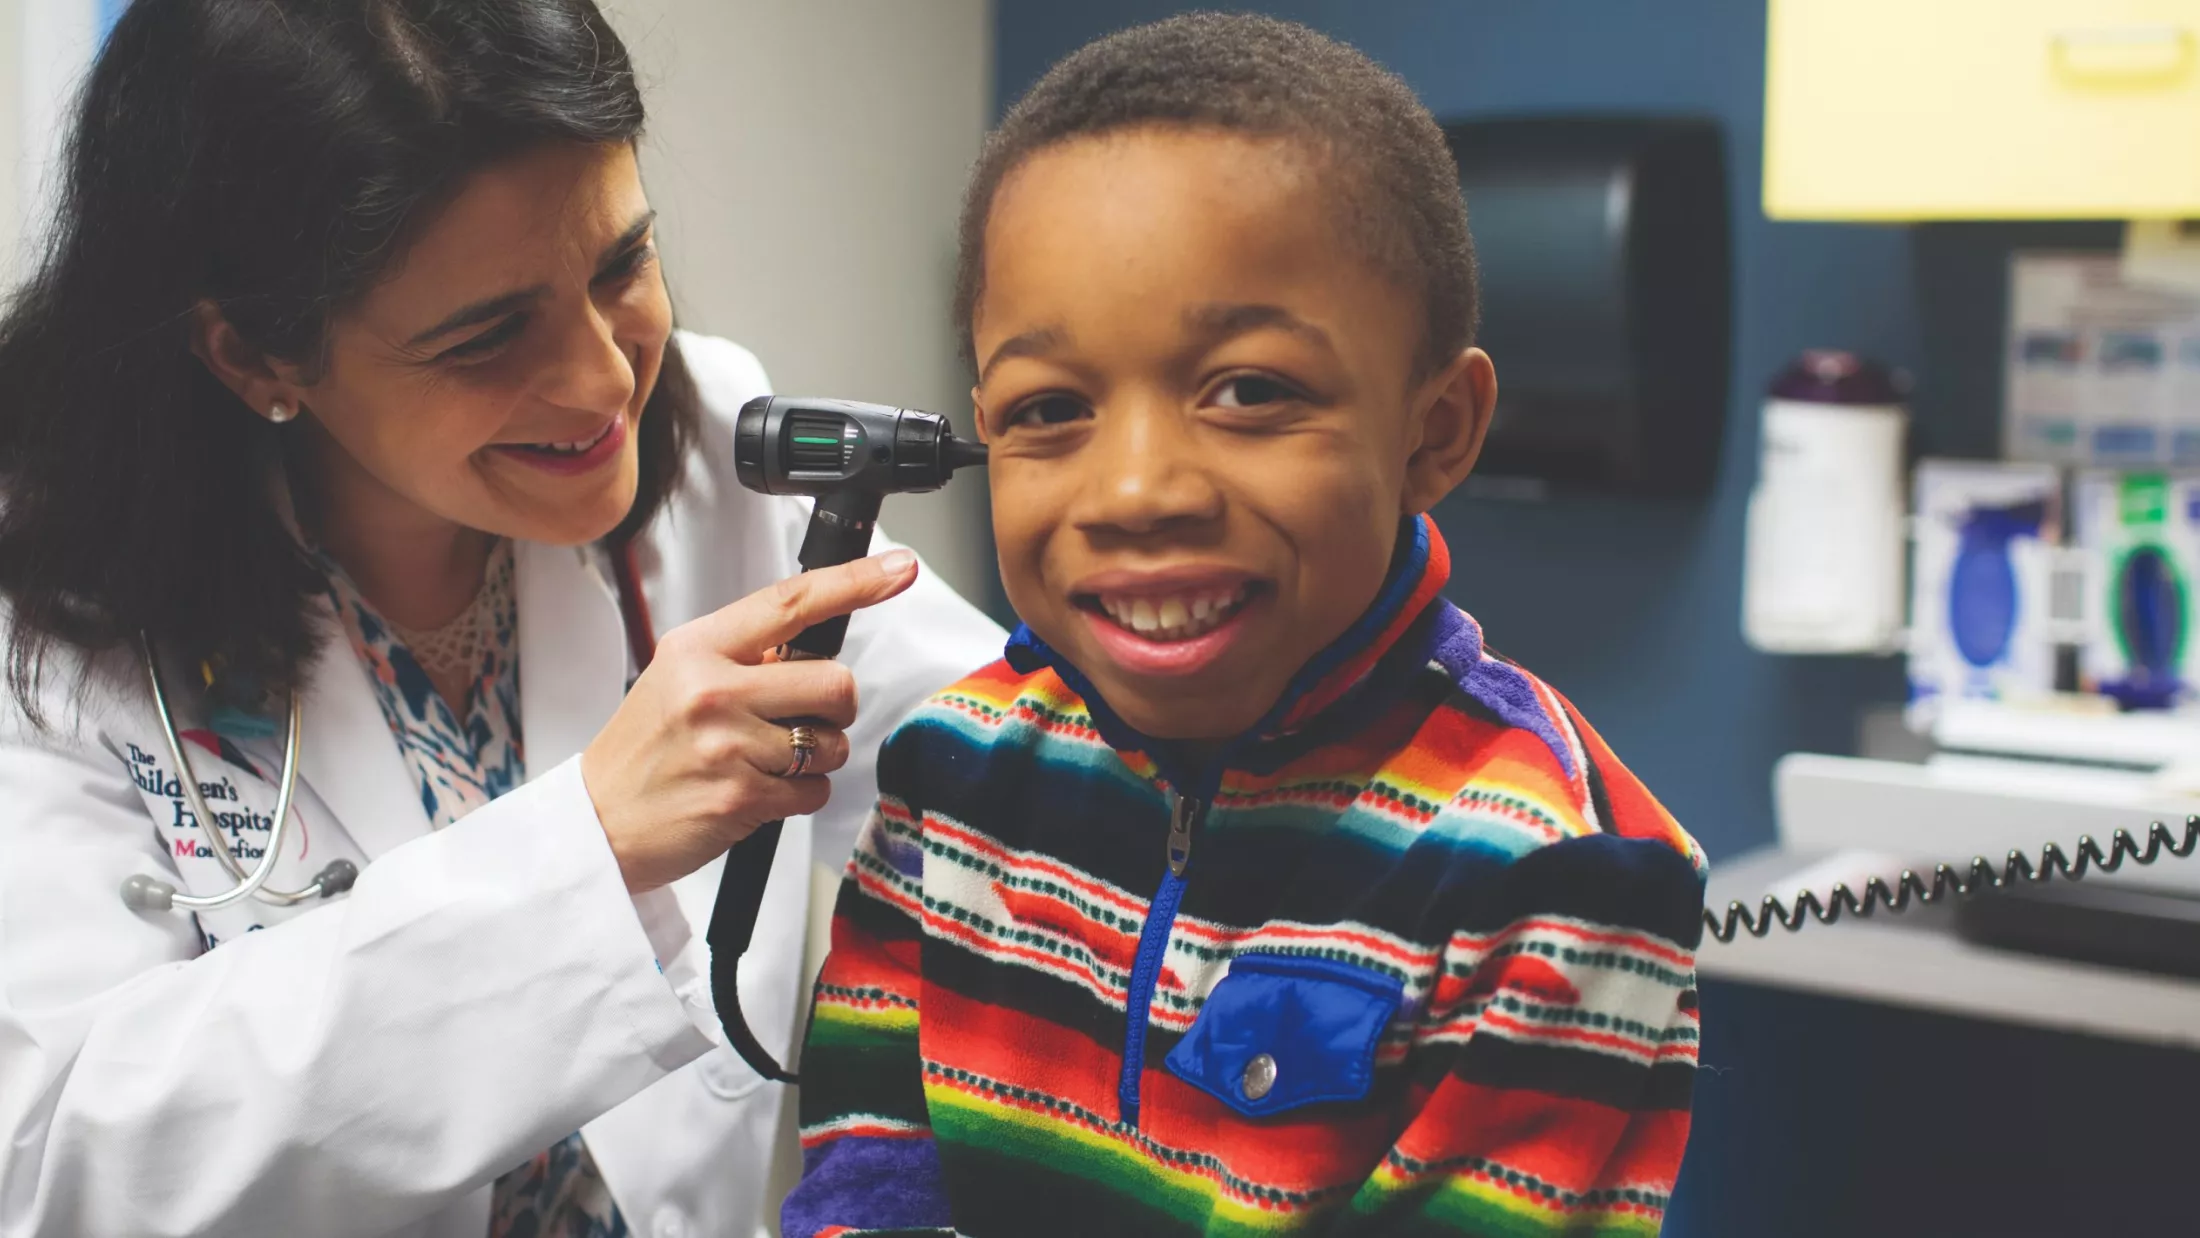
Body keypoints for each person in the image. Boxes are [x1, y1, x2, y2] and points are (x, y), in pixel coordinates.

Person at [0, 2, 1000, 1236]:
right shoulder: (46, 632)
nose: (602, 382)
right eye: (484, 337)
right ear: (255, 355)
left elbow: (1009, 773)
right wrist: (587, 848)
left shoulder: (709, 469)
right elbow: (48, 1165)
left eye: (621, 265)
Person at [783, 15, 1708, 1238]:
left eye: (1250, 391)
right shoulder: (950, 767)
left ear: (1433, 431)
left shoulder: (1555, 873)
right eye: (1051, 407)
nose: (1136, 491)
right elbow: (868, 1160)